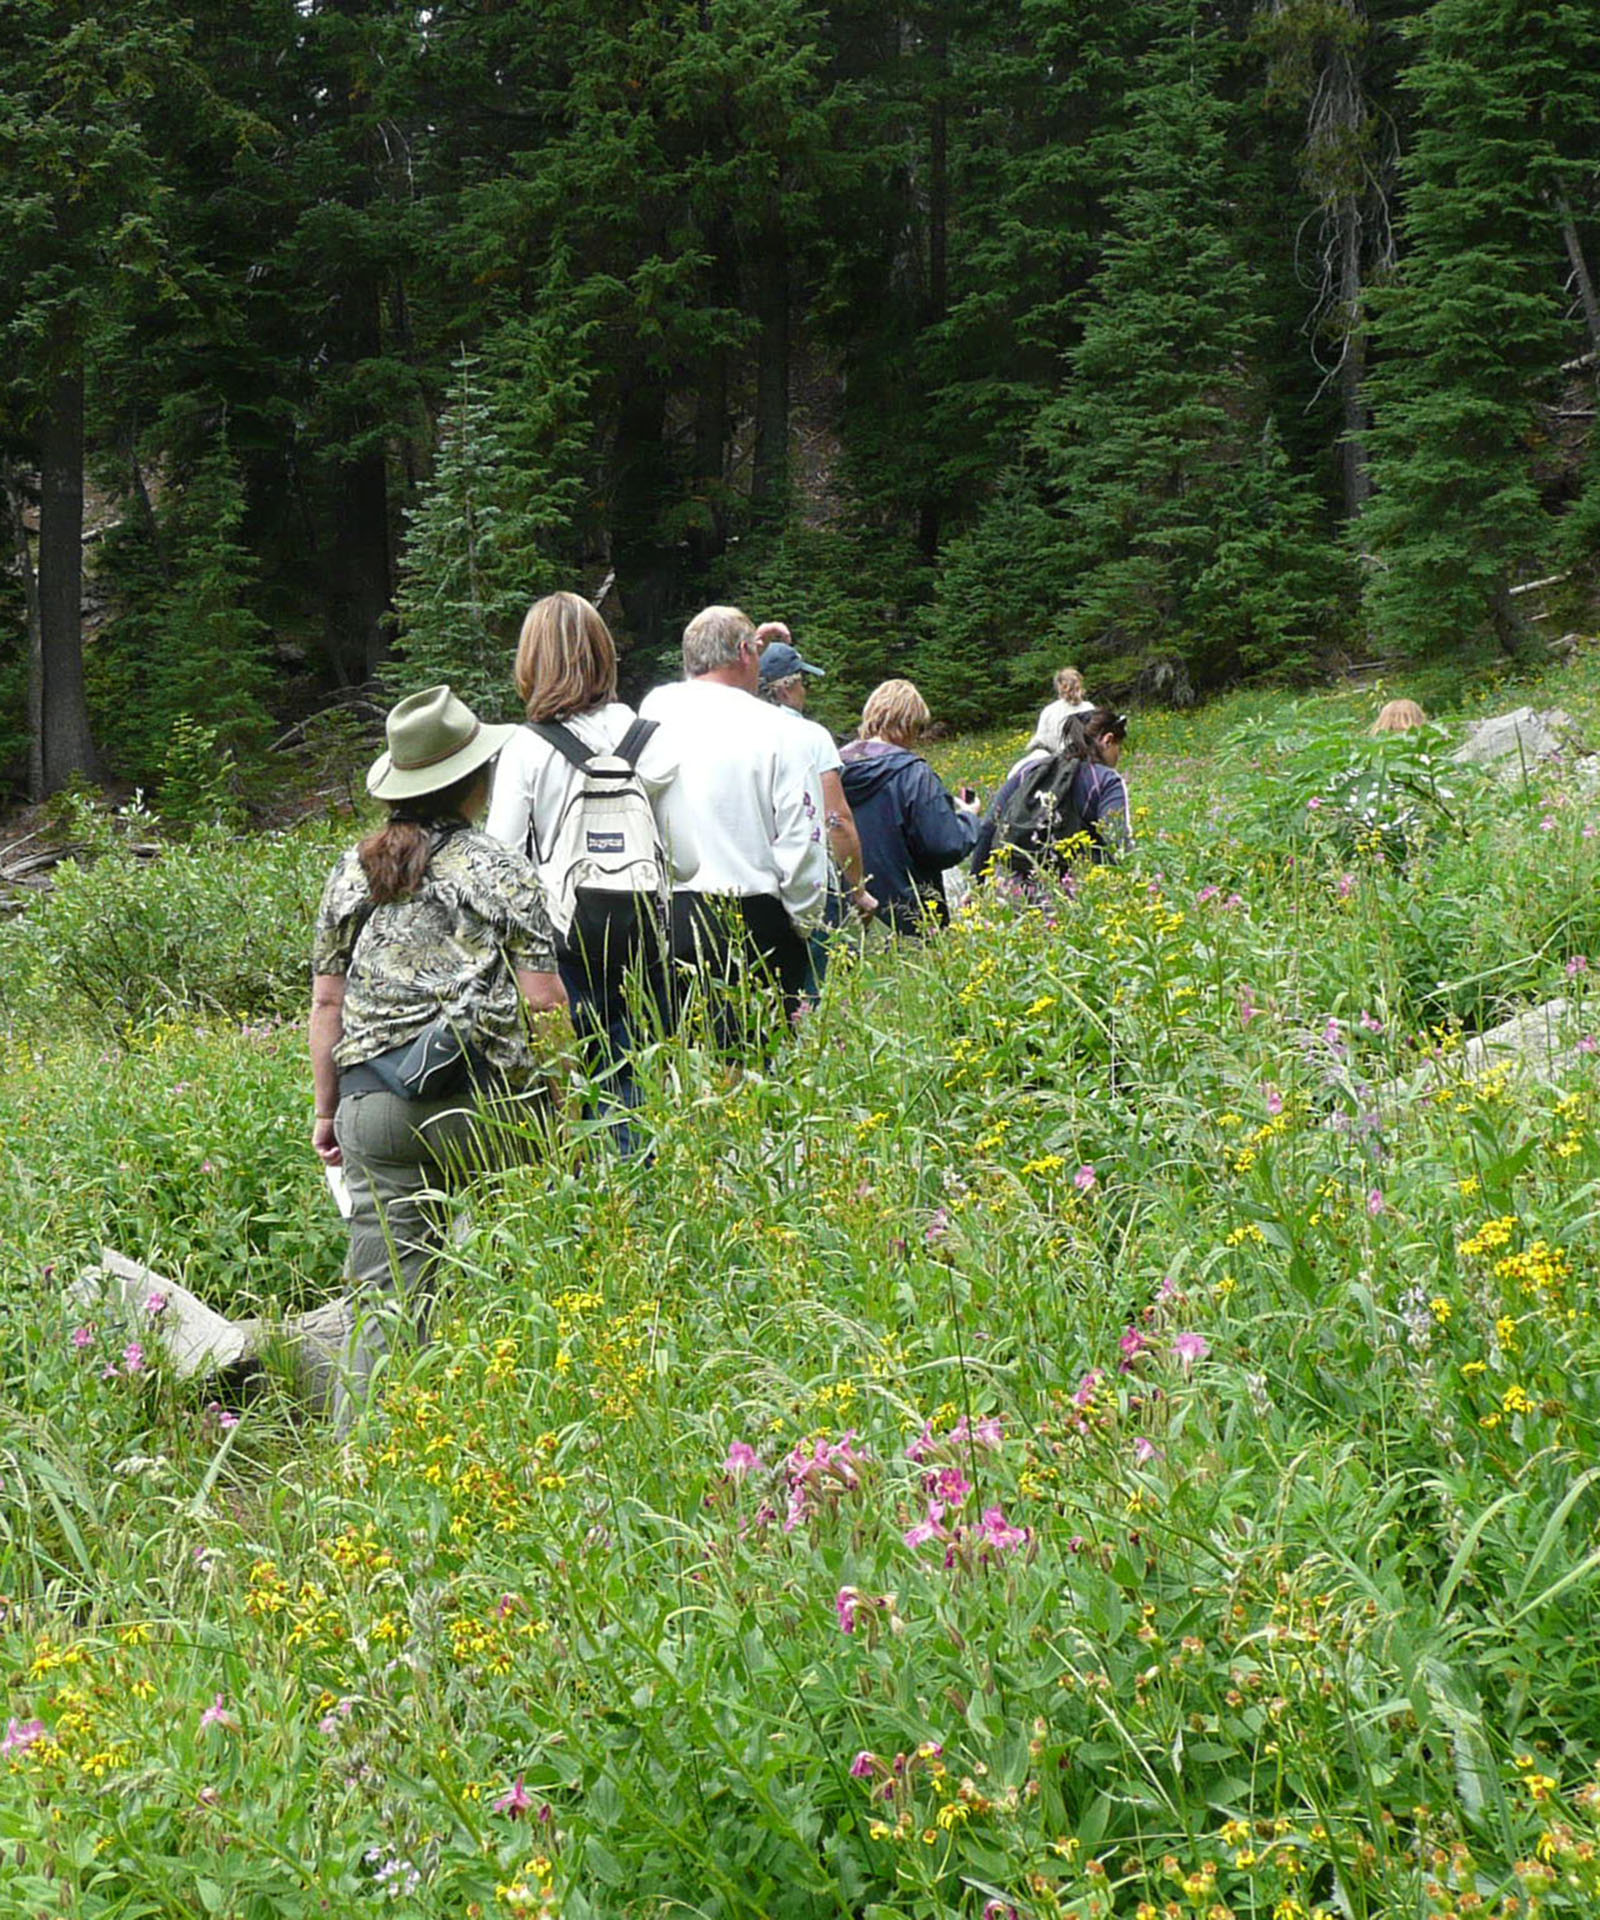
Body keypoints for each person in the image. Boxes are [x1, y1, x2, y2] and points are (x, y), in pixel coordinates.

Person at [310, 685, 569, 1428]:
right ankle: (516, 1421)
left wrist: (329, 1110)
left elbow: (327, 1005)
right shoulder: (499, 868)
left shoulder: (351, 871)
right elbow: (546, 1002)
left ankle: (366, 1464)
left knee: (385, 1297)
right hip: (484, 1107)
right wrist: (566, 1108)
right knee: (515, 1259)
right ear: (476, 782)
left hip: (371, 1106)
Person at [486, 591, 691, 1149]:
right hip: (645, 932)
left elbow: (499, 861)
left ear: (531, 663)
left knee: (573, 1069)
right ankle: (640, 1181)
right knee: (639, 1068)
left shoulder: (526, 748)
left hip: (563, 936)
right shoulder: (650, 737)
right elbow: (688, 858)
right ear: (605, 655)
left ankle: (589, 1180)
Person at [640, 605, 828, 1043]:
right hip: (756, 916)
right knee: (763, 1061)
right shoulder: (780, 730)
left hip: (671, 912)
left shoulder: (654, 710)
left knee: (684, 1056)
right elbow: (802, 838)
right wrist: (804, 920)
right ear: (746, 653)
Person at [756, 622, 875, 986]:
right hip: (809, 878)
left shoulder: (744, 728)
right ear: (789, 687)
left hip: (754, 877)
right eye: (803, 682)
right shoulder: (811, 736)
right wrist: (858, 889)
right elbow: (835, 818)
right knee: (810, 989)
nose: (806, 690)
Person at [838, 679, 978, 935]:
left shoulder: (833, 768)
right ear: (907, 723)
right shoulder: (914, 775)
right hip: (909, 915)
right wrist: (969, 819)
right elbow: (944, 845)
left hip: (849, 916)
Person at [971, 707, 1133, 876]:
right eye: (1118, 747)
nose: (1118, 754)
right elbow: (1118, 841)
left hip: (1019, 886)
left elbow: (988, 827)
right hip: (1080, 887)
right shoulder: (1107, 780)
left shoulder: (1031, 770)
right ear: (1108, 740)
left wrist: (976, 884)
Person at [1034, 666, 1095, 754]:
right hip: (1057, 758)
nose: (1074, 692)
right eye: (1070, 689)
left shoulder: (1089, 707)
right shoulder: (1050, 711)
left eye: (1076, 688)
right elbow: (1041, 742)